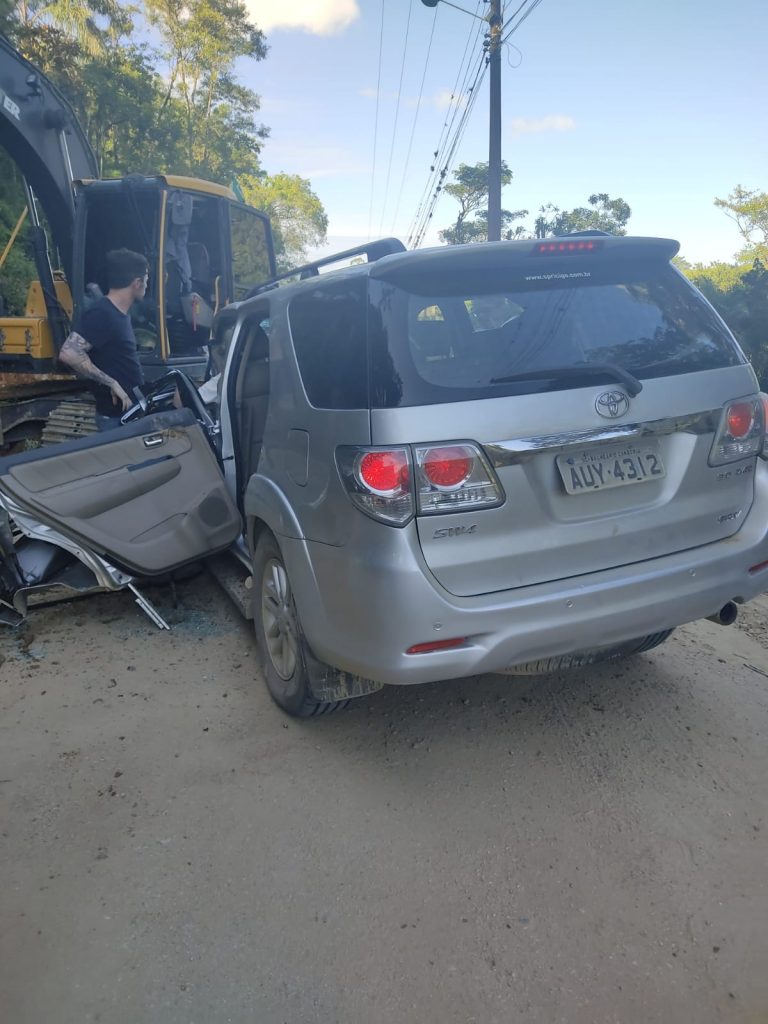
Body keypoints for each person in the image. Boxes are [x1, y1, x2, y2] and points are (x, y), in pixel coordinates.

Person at [59, 248, 148, 431]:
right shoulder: (102, 313)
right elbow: (69, 353)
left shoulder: (119, 314)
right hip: (115, 420)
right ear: (137, 283)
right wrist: (112, 382)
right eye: (146, 278)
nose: (148, 284)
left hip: (128, 416)